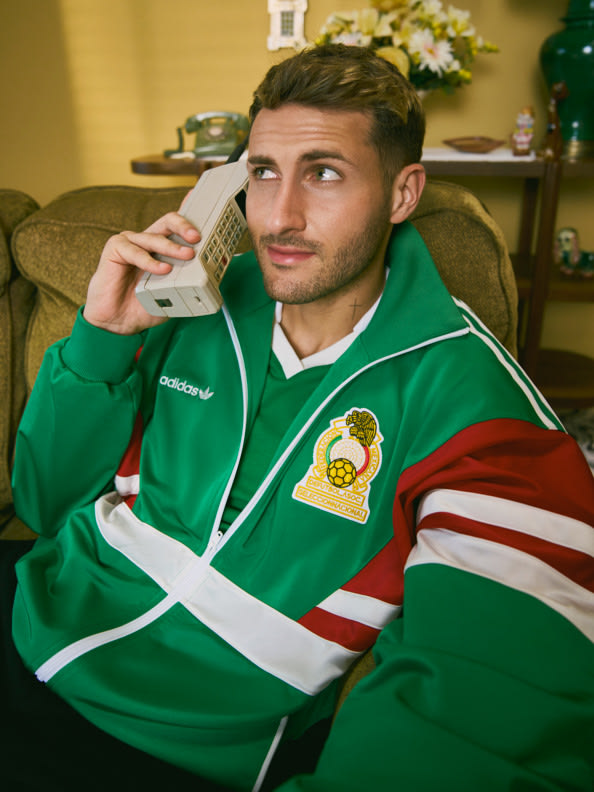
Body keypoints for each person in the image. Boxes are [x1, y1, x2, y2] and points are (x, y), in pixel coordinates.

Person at [2, 44, 593, 791]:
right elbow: (44, 503)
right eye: (262, 172)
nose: (278, 217)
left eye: (324, 173)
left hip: (179, 737)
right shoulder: (190, 304)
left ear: (403, 193)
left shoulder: (477, 405)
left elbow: (492, 697)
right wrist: (101, 340)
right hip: (37, 609)